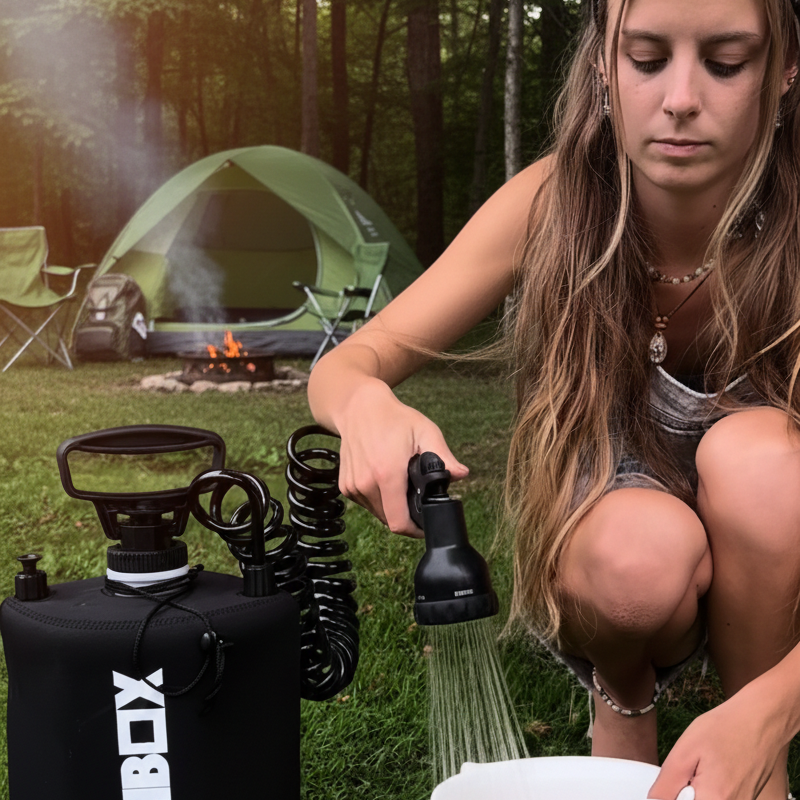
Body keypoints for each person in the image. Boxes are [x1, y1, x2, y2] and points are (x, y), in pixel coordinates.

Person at [306, 0, 800, 798]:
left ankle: (751, 746)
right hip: (622, 506)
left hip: (776, 512)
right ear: (603, 64)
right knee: (635, 567)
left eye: (724, 61)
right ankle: (624, 693)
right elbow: (350, 362)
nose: (679, 97)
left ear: (783, 73)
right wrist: (364, 403)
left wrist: (775, 708)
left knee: (765, 463)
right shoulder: (555, 201)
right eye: (646, 58)